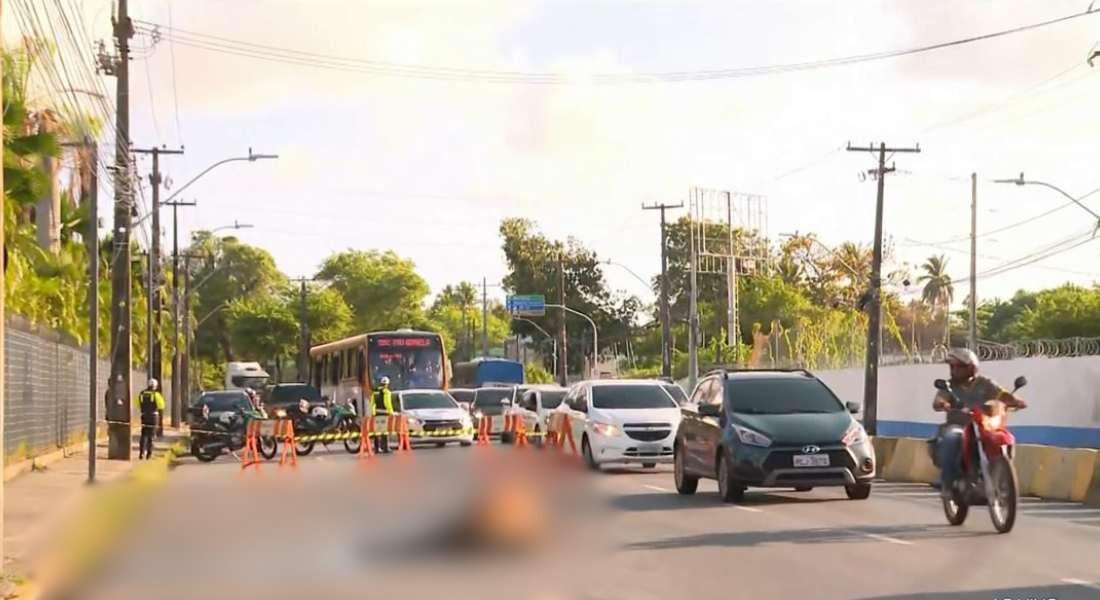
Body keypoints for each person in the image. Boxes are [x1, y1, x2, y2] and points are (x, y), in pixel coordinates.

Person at [933, 348, 1026, 498]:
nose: (954, 370)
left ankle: (1001, 475)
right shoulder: (948, 386)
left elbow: (1002, 394)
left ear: (970, 367)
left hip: (983, 424)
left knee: (1003, 436)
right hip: (959, 426)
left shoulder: (985, 383)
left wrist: (1015, 401)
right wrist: (943, 404)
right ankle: (947, 482)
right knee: (951, 439)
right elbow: (939, 400)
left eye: (958, 366)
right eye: (952, 367)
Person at [136, 379, 166, 460]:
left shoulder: (141, 394)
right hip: (153, 416)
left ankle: (141, 453)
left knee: (143, 434)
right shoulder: (156, 394)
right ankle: (149, 454)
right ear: (155, 386)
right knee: (151, 436)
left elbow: (137, 405)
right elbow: (162, 406)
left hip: (144, 416)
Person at [371, 377, 395, 454]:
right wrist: (391, 413)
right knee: (384, 432)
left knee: (377, 431)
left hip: (377, 414)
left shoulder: (375, 392)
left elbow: (372, 404)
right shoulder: (387, 392)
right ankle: (385, 448)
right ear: (387, 384)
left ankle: (376, 448)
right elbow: (388, 404)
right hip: (384, 413)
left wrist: (373, 413)